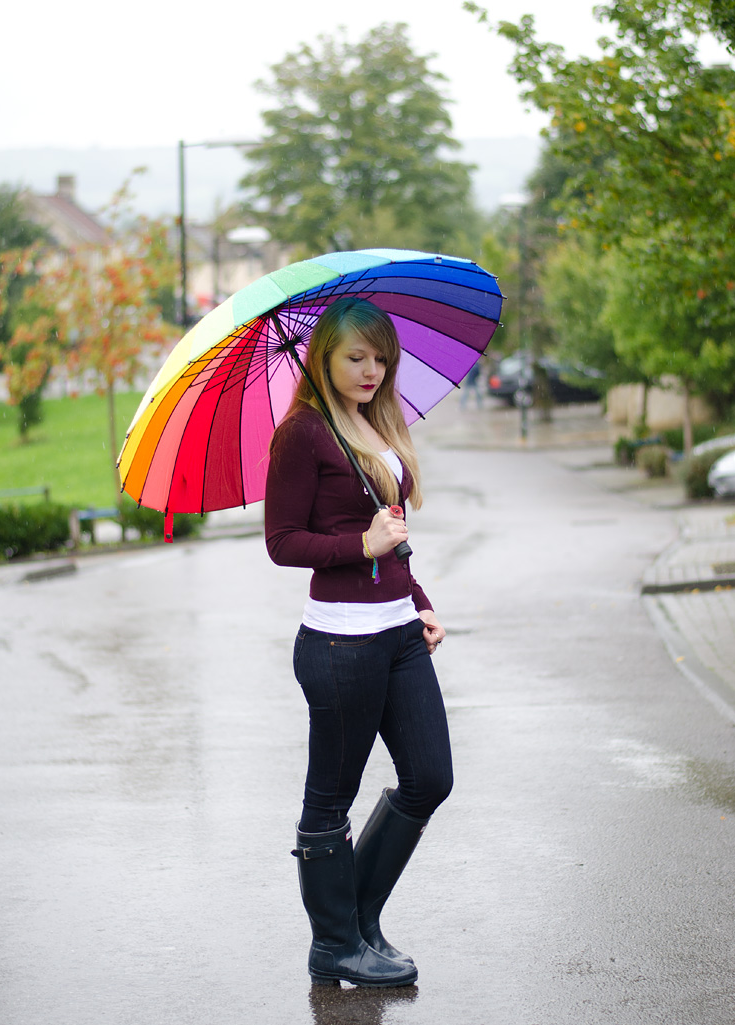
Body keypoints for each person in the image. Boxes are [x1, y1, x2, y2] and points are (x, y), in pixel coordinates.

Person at [265, 296, 453, 988]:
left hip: (398, 632)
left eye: (381, 357)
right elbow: (282, 542)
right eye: (356, 357)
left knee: (432, 774)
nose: (372, 369)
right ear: (323, 359)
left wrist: (421, 600)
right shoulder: (303, 434)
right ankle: (336, 944)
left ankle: (356, 919)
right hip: (340, 645)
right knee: (329, 798)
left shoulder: (373, 422)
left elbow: (392, 539)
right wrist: (358, 543)